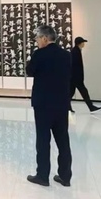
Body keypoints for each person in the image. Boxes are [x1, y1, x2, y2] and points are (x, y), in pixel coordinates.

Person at [26, 25, 72, 188]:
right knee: (63, 140)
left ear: (45, 38)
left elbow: (30, 71)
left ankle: (42, 175)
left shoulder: (39, 54)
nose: (37, 42)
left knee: (43, 140)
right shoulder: (66, 55)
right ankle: (65, 176)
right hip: (61, 103)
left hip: (43, 104)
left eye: (38, 39)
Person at [70, 37, 101, 113]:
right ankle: (91, 107)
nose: (84, 44)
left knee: (71, 93)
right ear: (79, 43)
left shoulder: (76, 51)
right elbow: (75, 66)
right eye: (83, 42)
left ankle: (67, 107)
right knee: (83, 92)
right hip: (76, 77)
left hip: (74, 77)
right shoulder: (75, 52)